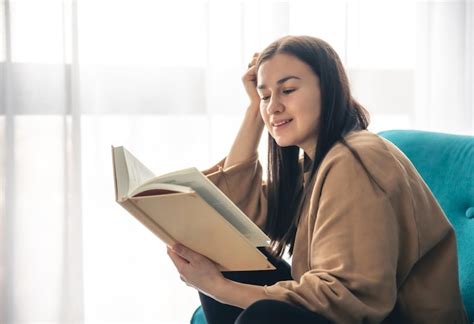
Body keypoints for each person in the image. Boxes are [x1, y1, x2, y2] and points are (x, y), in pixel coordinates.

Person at [166, 35, 468, 324]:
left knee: (264, 317)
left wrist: (216, 288)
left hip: (395, 319)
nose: (273, 107)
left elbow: (346, 299)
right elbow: (233, 218)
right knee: (232, 260)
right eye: (265, 96)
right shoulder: (317, 163)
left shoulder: (357, 160)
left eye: (288, 90)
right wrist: (252, 112)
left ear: (329, 88)